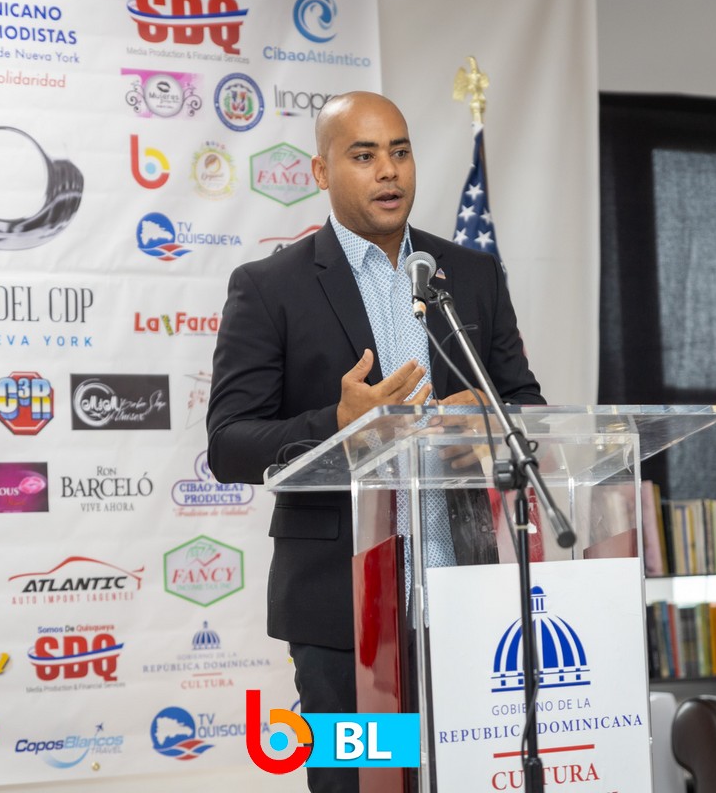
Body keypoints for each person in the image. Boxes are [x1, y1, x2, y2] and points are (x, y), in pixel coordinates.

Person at [206, 91, 544, 792]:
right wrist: (338, 421)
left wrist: (485, 421)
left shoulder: (470, 275)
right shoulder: (270, 287)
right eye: (363, 156)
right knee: (362, 784)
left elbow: (527, 410)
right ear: (321, 171)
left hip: (467, 598)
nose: (388, 171)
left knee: (468, 780)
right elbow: (230, 443)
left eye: (400, 151)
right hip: (343, 614)